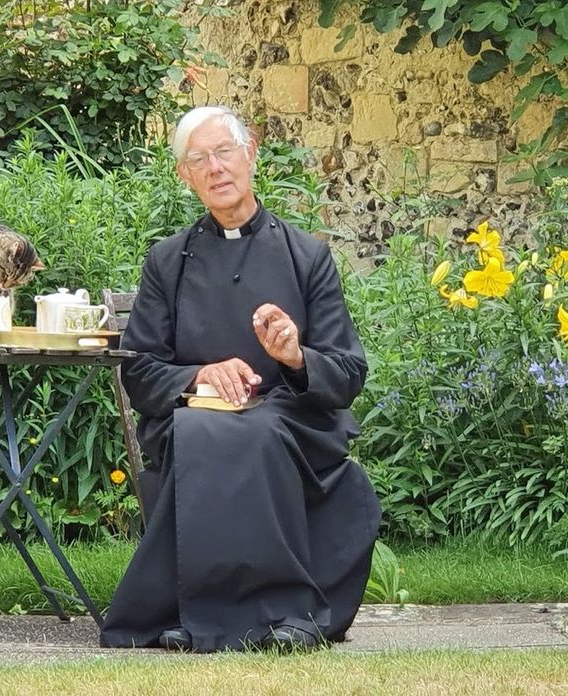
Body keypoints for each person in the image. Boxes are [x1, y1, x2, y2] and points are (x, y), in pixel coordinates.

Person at [99, 105, 382, 653]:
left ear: (249, 152)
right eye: (199, 160)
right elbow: (140, 371)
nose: (215, 168)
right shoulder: (167, 261)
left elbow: (348, 371)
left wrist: (296, 357)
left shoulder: (307, 256)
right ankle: (261, 616)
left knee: (256, 431)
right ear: (185, 176)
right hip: (194, 414)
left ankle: (220, 616)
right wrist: (201, 373)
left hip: (294, 420)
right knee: (211, 432)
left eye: (224, 152)